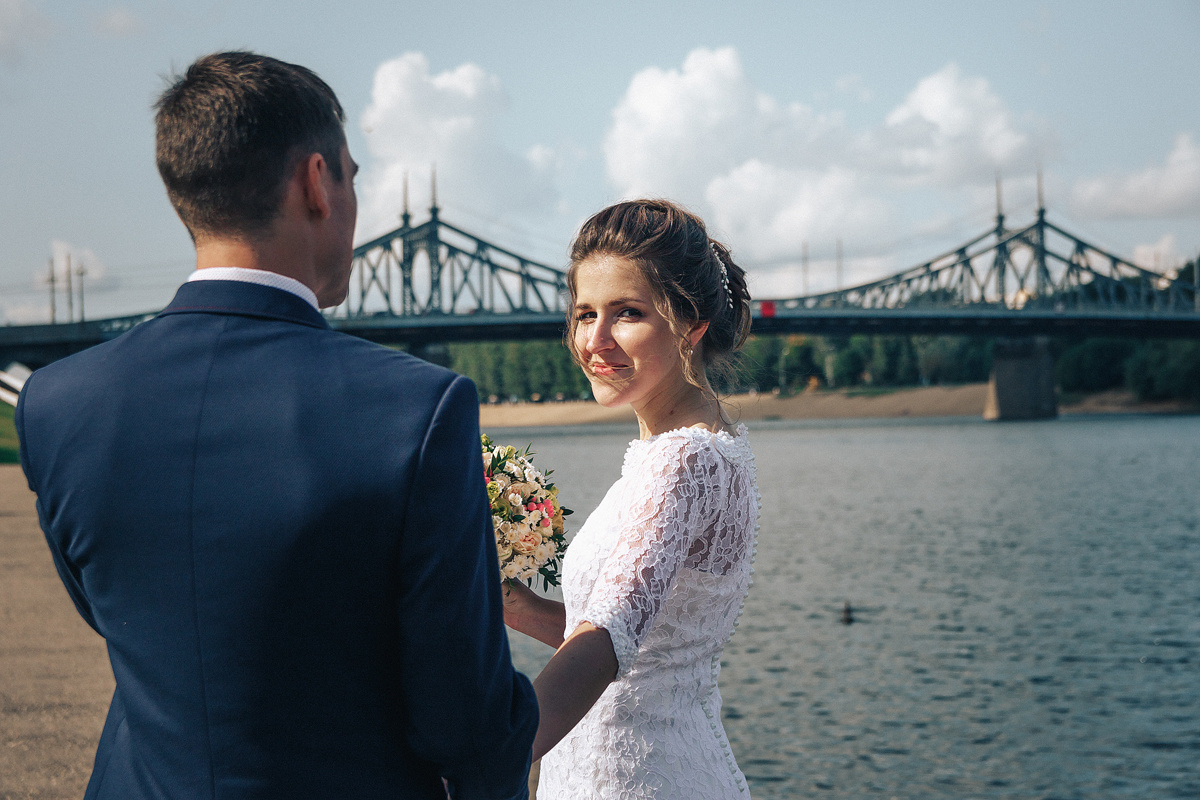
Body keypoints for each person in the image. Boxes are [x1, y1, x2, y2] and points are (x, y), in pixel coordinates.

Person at [16, 51, 537, 799]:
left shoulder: (57, 405)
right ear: (317, 184)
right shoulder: (417, 412)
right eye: (352, 176)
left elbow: (117, 617)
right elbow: (466, 723)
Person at [502, 199, 760, 799]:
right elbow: (638, 635)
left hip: (637, 779)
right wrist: (518, 608)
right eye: (584, 312)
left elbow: (608, 642)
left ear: (691, 324)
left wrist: (485, 757)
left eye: (627, 314)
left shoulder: (682, 463)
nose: (595, 339)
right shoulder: (703, 450)